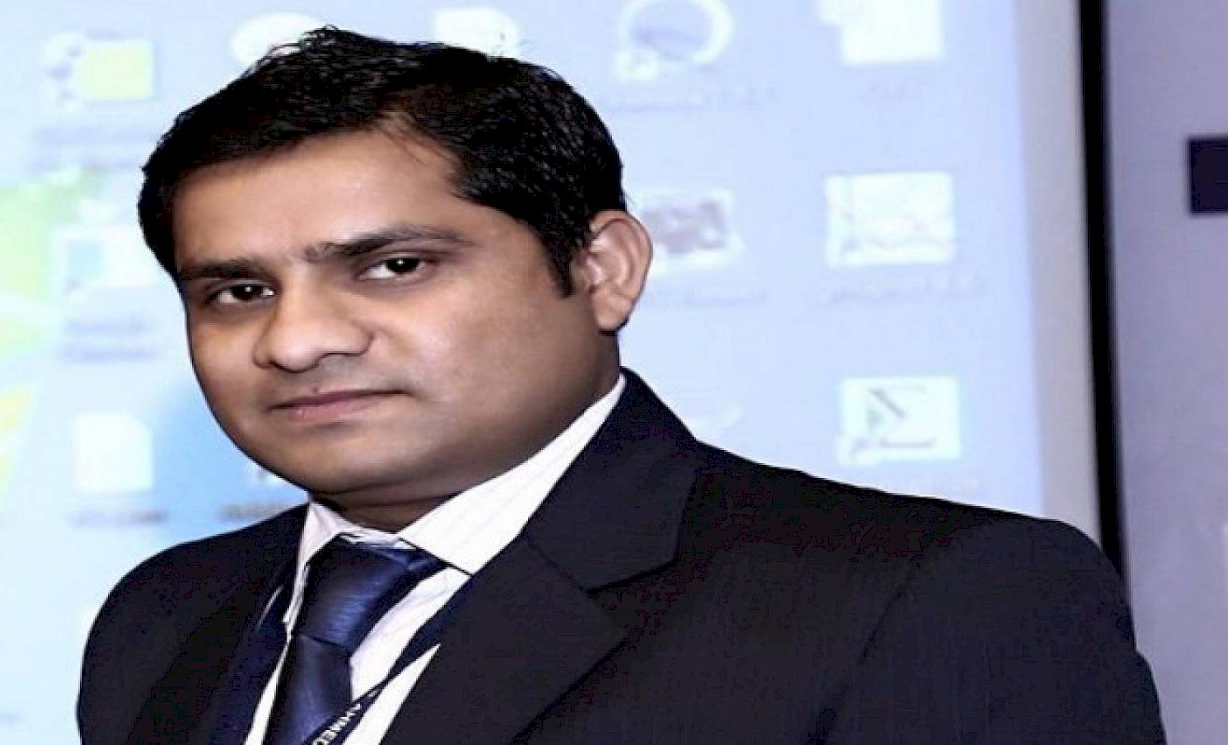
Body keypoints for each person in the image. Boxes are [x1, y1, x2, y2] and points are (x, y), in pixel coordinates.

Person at [77, 27, 1165, 745]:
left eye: (394, 266)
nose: (297, 339)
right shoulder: (166, 615)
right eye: (236, 291)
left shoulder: (927, 597)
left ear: (602, 269)